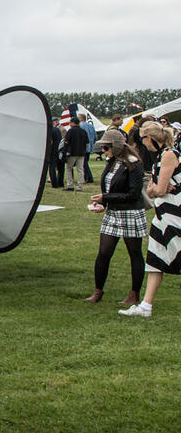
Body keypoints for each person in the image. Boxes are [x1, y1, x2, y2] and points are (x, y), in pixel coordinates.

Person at [119, 122, 181, 317]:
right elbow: (152, 190)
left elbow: (158, 190)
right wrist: (156, 189)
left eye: (143, 138)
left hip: (174, 215)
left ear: (151, 138)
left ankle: (146, 305)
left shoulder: (169, 155)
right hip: (162, 215)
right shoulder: (160, 158)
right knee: (155, 259)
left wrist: (156, 188)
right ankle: (146, 305)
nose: (142, 143)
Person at [84, 130, 146, 305]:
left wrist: (106, 199)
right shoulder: (111, 162)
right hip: (113, 212)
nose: (104, 151)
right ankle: (98, 290)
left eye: (106, 147)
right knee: (103, 253)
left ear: (116, 146)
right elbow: (108, 188)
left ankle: (134, 294)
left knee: (134, 253)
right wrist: (103, 203)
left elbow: (133, 195)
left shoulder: (133, 164)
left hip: (130, 213)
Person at [63, 118, 88, 191]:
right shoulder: (83, 131)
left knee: (69, 169)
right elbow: (87, 143)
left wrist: (65, 152)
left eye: (70, 122)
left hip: (71, 153)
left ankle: (70, 185)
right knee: (80, 169)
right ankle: (80, 186)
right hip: (81, 153)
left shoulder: (70, 131)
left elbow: (66, 142)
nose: (69, 124)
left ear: (73, 123)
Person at [79, 113, 96, 184]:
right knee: (86, 162)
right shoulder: (91, 126)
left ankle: (89, 177)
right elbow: (95, 137)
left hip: (83, 147)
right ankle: (86, 177)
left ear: (81, 118)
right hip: (90, 147)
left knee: (84, 164)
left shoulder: (80, 126)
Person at [47, 118, 63, 188]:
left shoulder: (50, 130)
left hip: (53, 151)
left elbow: (50, 142)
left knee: (52, 167)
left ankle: (54, 183)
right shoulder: (57, 129)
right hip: (59, 149)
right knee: (60, 168)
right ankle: (60, 182)